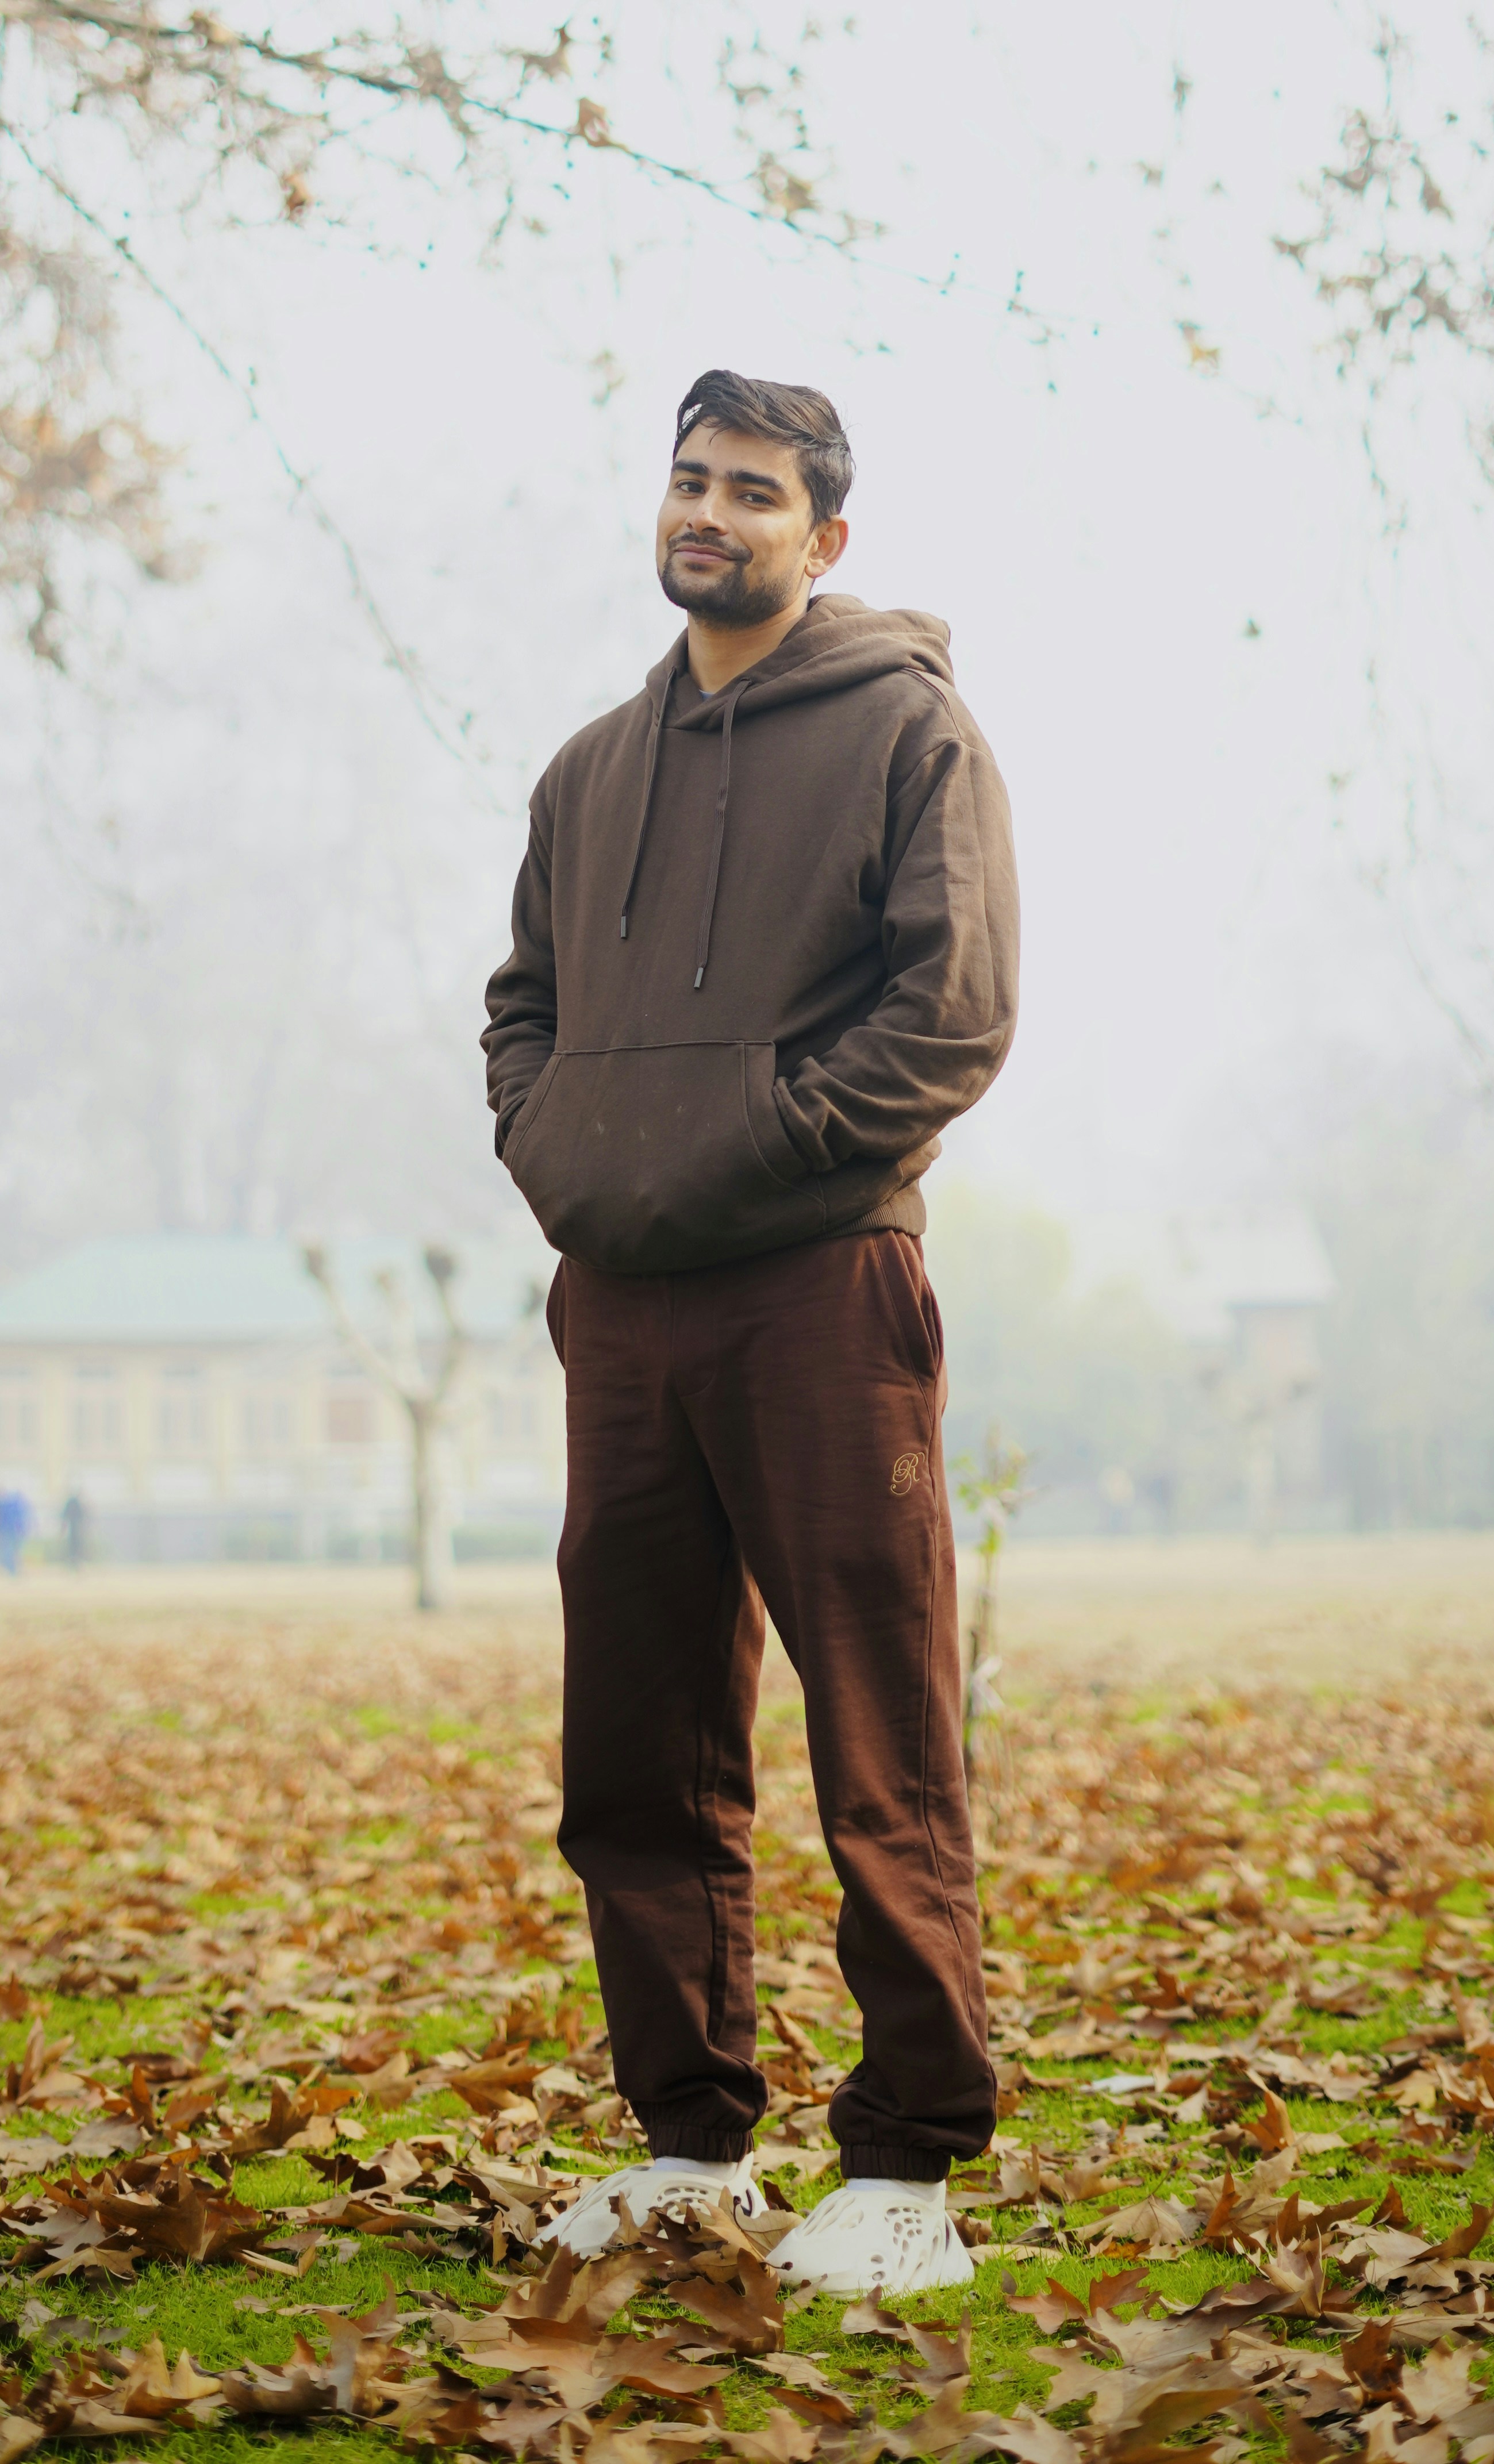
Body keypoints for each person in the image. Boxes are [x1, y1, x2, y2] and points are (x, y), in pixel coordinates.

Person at [483, 369, 1018, 2291]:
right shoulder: (585, 771)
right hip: (621, 1309)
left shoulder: (908, 735)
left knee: (875, 1725)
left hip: (818, 1293)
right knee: (635, 1737)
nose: (711, 513)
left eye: (756, 493)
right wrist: (567, 1164)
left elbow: (948, 1017)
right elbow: (521, 1012)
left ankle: (907, 2168)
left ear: (827, 537)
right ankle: (690, 2138)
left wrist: (748, 1155)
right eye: (691, 481)